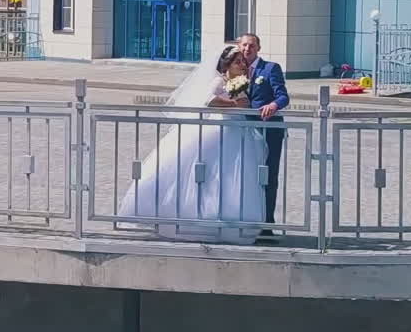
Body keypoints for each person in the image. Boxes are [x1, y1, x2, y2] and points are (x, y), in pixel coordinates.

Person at [117, 45, 266, 243]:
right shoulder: (219, 81)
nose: (242, 65)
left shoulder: (240, 81)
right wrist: (233, 104)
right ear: (227, 65)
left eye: (243, 62)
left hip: (237, 132)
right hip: (220, 130)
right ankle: (192, 215)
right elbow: (209, 101)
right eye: (237, 62)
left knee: (231, 177)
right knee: (207, 174)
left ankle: (229, 219)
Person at [238, 33, 290, 235]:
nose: (247, 49)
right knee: (246, 176)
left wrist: (273, 105)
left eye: (251, 45)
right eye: (244, 45)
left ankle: (267, 223)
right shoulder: (235, 69)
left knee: (268, 175)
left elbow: (283, 96)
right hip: (244, 132)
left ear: (258, 48)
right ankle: (246, 219)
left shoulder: (270, 68)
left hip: (269, 131)